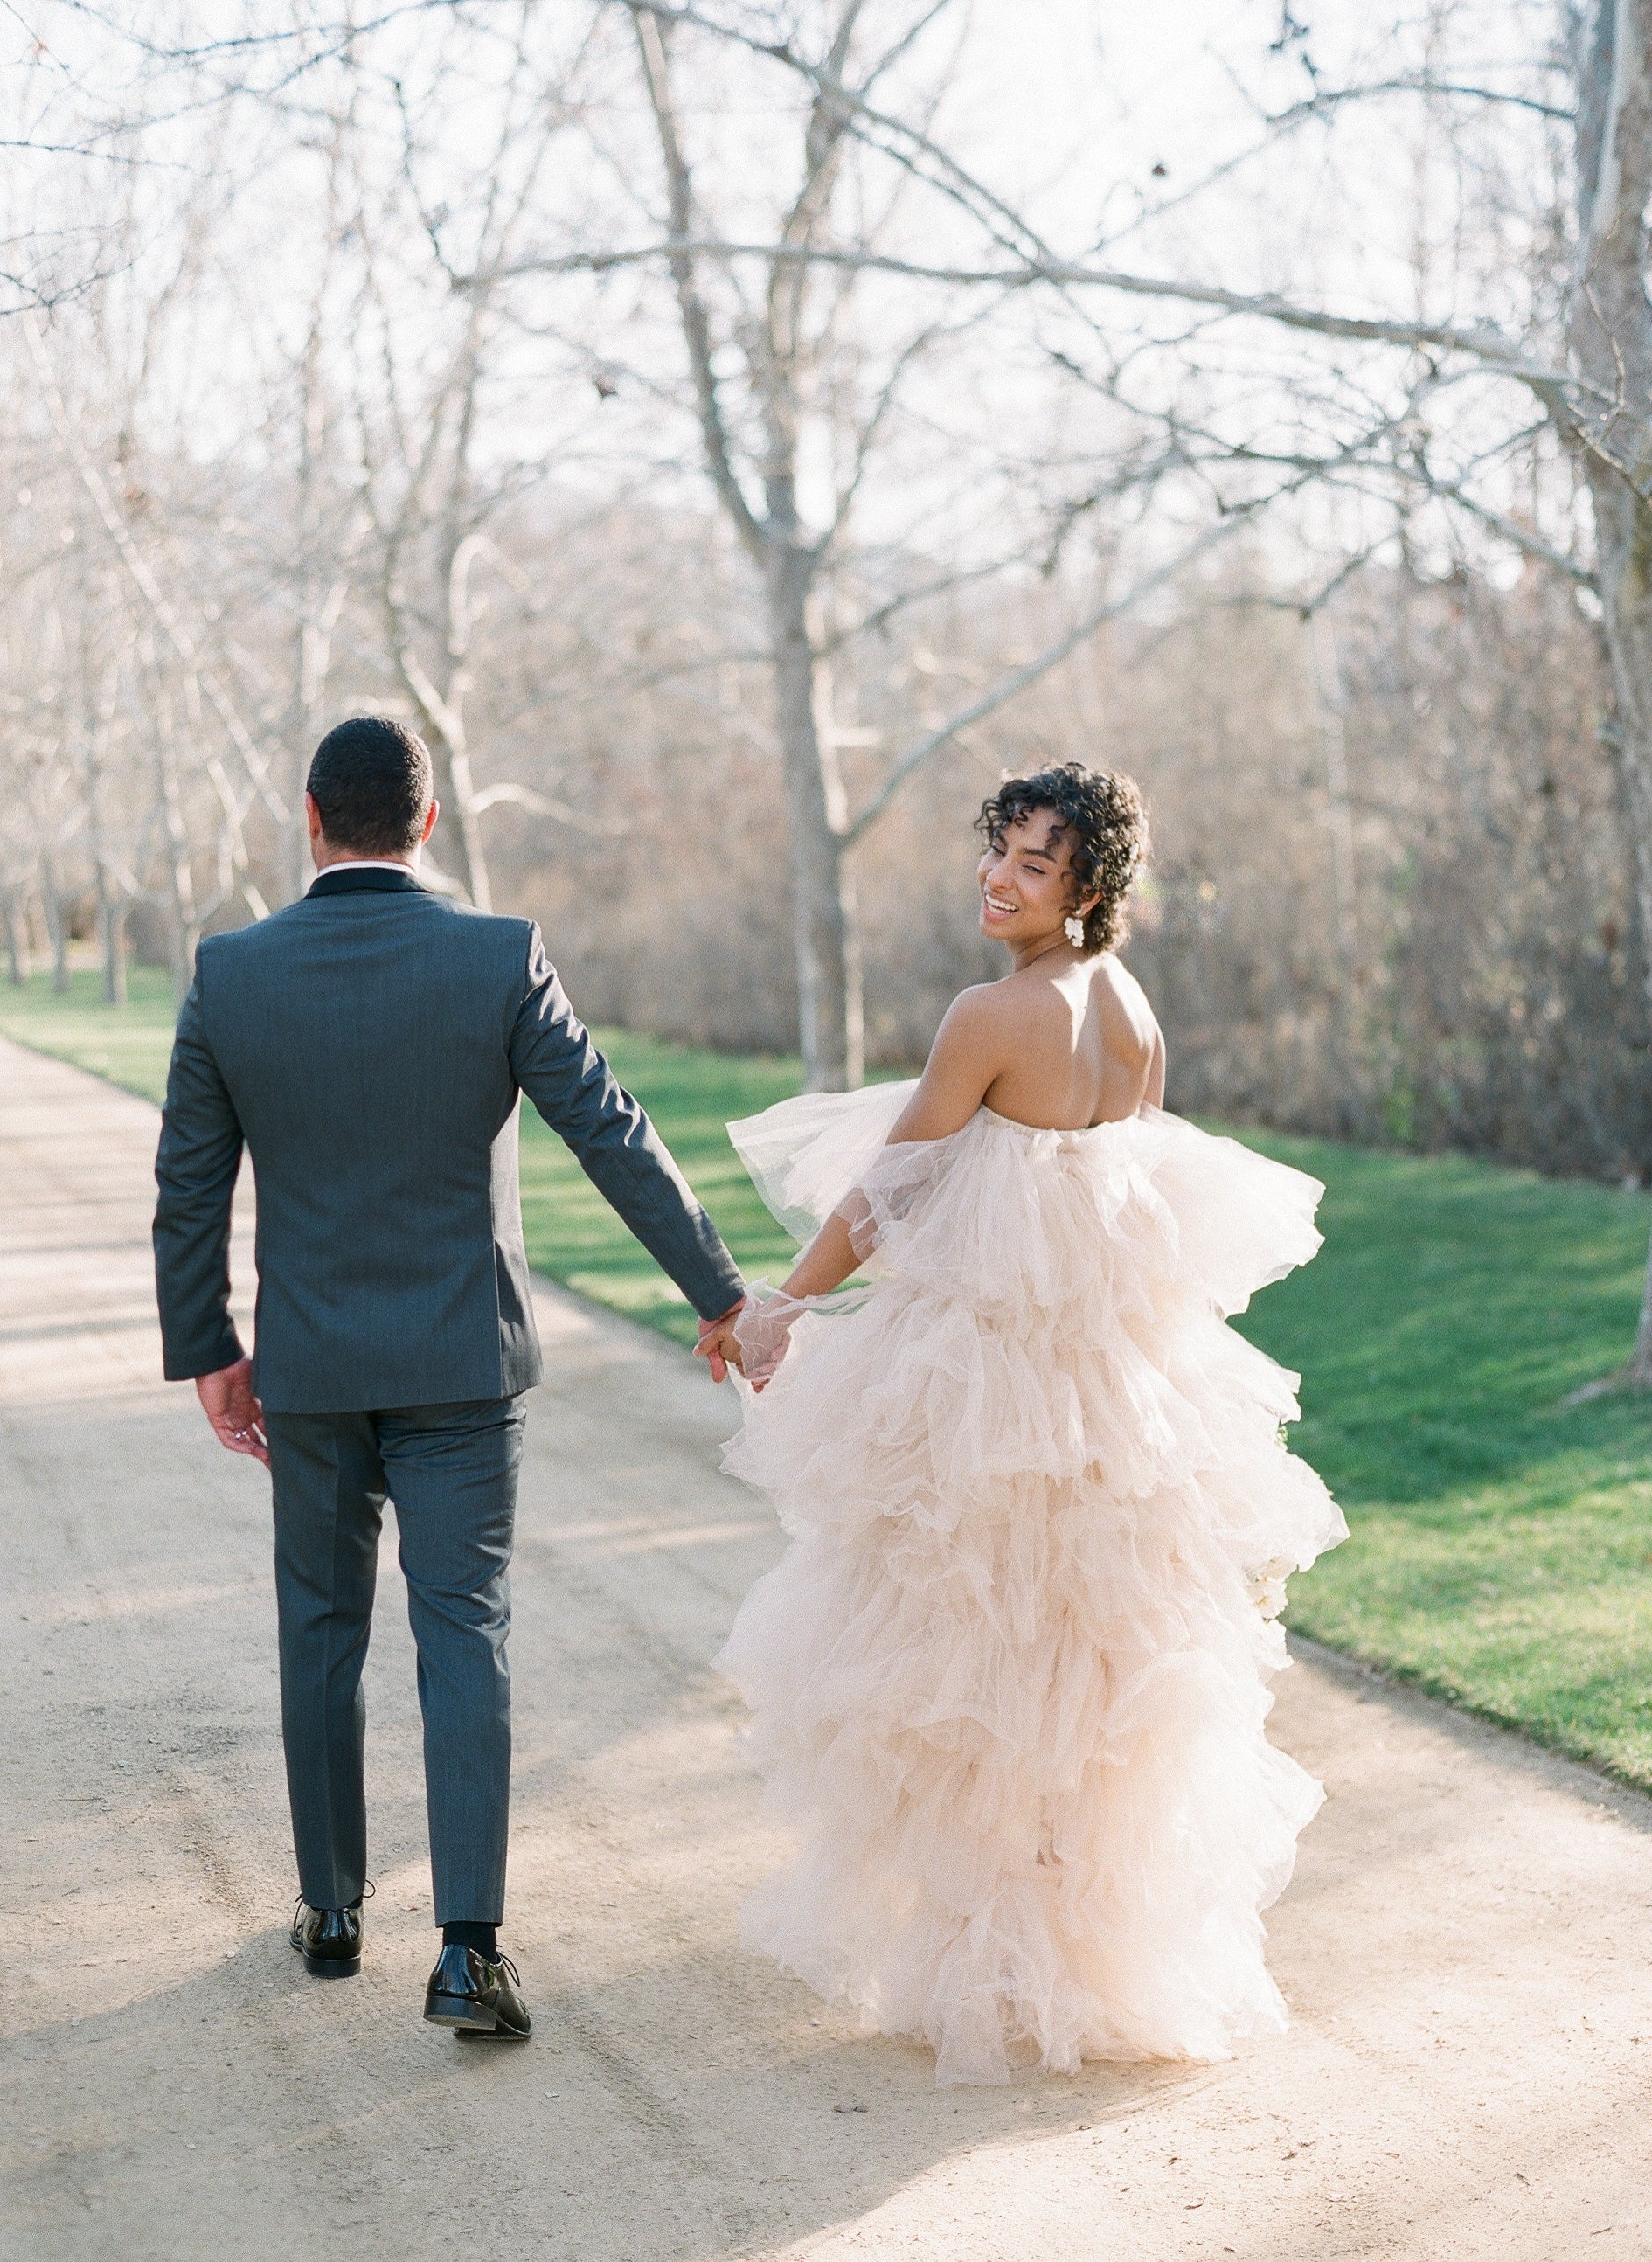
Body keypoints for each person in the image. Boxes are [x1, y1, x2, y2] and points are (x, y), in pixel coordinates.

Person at [711, 763, 1348, 2086]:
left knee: (972, 1673)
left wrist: (782, 1307)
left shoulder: (992, 1013)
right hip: (1111, 1401)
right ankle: (1072, 1956)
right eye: (999, 851)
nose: (999, 879)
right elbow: (1126, 1202)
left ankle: (988, 1963)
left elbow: (893, 1189)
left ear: (1088, 888)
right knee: (1085, 1681)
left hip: (993, 1399)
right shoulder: (1130, 1009)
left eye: (1035, 865)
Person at [153, 716, 746, 2037]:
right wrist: (718, 1295)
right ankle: (470, 1953)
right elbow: (611, 1131)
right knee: (463, 1626)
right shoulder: (497, 956)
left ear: (313, 818)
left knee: (321, 1627)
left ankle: (331, 1913)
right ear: (427, 823)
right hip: (462, 1364)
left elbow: (188, 1184)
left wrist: (210, 1352)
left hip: (310, 1365)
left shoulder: (231, 973)